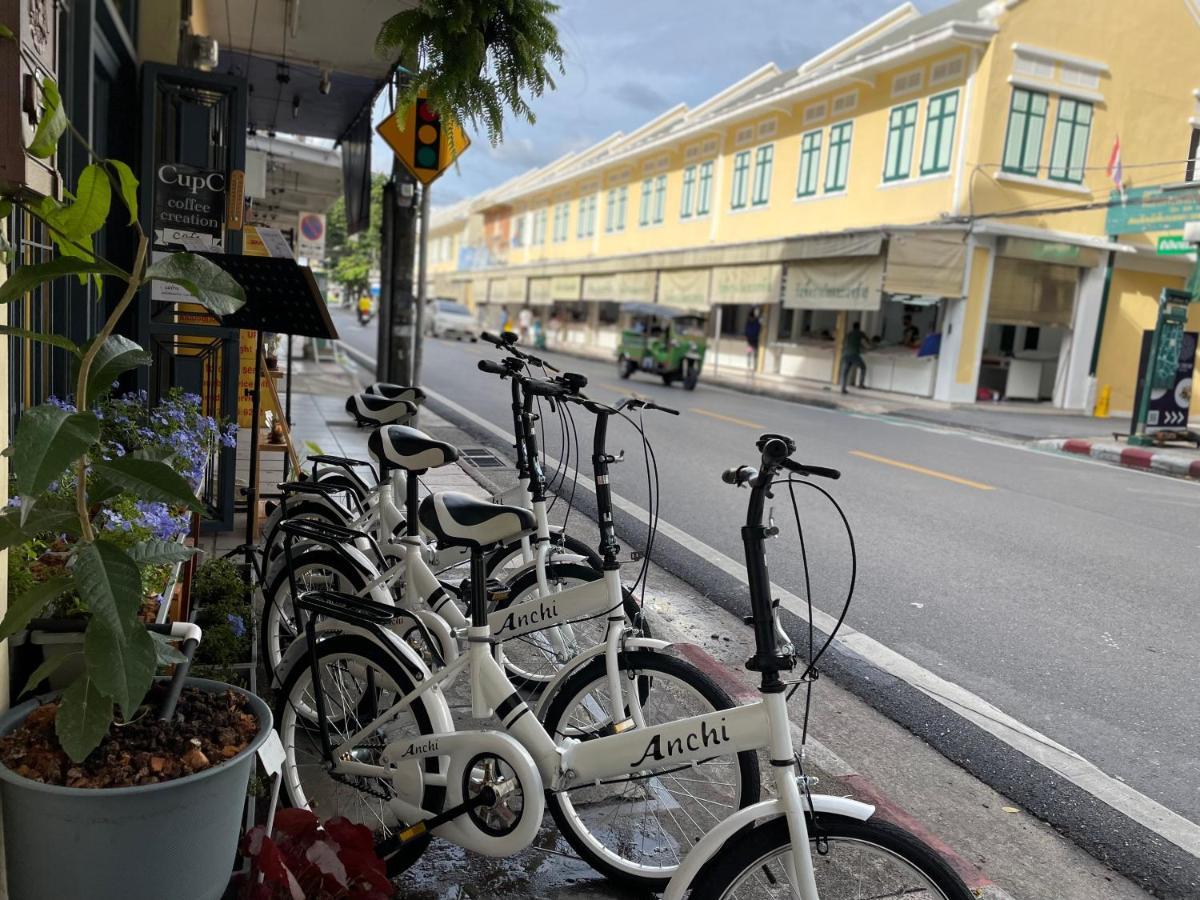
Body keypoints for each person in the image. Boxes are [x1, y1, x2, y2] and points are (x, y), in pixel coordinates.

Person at [840, 321, 870, 393]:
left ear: (853, 327)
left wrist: (859, 346)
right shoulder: (860, 333)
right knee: (863, 367)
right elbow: (867, 340)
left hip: (845, 355)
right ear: (859, 327)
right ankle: (861, 384)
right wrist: (870, 346)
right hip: (854, 354)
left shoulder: (849, 334)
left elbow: (844, 342)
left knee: (845, 373)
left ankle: (843, 389)